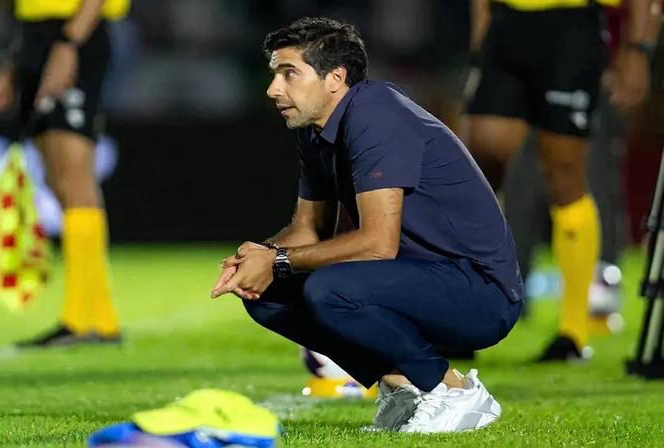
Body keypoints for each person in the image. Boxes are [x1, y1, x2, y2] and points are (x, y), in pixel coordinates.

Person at [211, 17, 523, 433]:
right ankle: (401, 388)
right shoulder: (313, 128)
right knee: (267, 292)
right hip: (414, 281)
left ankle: (456, 391)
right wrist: (256, 258)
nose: (273, 89)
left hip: (481, 293)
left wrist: (278, 259)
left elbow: (378, 244)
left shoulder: (377, 115)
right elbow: (308, 230)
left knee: (329, 289)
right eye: (274, 74)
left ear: (335, 78)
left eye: (289, 74)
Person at [464, 0, 661, 361]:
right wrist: (481, 36)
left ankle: (572, 331)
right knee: (480, 155)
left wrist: (638, 52)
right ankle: (469, 312)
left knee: (565, 173)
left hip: (570, 27)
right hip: (506, 24)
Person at [0, 0, 128, 346]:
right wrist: (15, 67)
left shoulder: (70, 42)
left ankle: (81, 320)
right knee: (58, 181)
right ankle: (101, 317)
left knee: (73, 179)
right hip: (39, 37)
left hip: (75, 32)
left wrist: (69, 44)